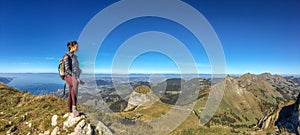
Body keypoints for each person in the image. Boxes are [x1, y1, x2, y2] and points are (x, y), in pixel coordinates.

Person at [64, 41, 84, 117]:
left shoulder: (74, 57)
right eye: (76, 46)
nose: (77, 47)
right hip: (68, 76)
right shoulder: (67, 56)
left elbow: (76, 68)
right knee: (75, 84)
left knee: (70, 92)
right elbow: (67, 69)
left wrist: (79, 71)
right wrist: (76, 78)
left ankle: (69, 110)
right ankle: (74, 108)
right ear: (72, 47)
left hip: (74, 76)